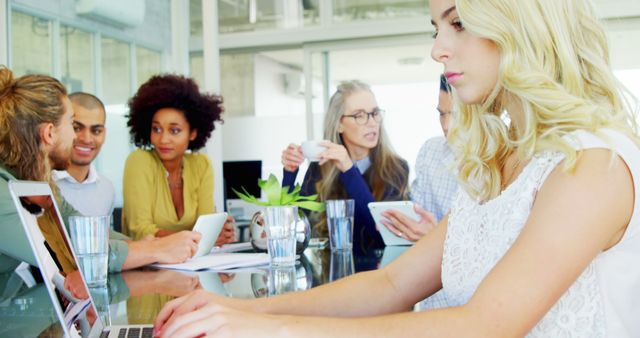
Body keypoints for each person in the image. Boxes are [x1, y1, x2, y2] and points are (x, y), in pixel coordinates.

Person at [153, 0, 640, 336]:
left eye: (459, 23)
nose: (438, 49)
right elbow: (392, 284)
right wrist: (236, 308)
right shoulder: (498, 161)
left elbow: (485, 327)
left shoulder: (592, 164)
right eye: (436, 29)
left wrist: (263, 328)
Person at [0, 66, 205, 274]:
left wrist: (148, 247)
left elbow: (82, 229)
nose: (77, 137)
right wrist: (155, 250)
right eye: (73, 125)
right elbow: (69, 255)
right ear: (49, 133)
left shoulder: (34, 182)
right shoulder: (3, 194)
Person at [281, 80, 410, 251]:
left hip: (379, 272)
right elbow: (293, 231)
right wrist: (289, 174)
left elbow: (383, 235)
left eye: (374, 113)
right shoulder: (319, 168)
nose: (372, 122)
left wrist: (349, 170)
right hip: (331, 273)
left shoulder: (396, 168)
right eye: (359, 115)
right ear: (339, 124)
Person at [122, 74, 235, 245]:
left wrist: (219, 232)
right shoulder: (139, 161)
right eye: (156, 129)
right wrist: (203, 237)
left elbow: (207, 225)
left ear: (193, 133)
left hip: (191, 264)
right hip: (146, 266)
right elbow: (141, 231)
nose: (163, 139)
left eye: (174, 130)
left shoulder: (201, 164)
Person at [380, 74, 458, 241]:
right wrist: (400, 223)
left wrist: (434, 237)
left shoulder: (501, 160)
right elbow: (417, 212)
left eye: (455, 114)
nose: (445, 125)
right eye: (442, 114)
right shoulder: (430, 151)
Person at [52, 92, 115, 217]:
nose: (86, 139)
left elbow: (103, 235)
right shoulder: (40, 182)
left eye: (96, 131)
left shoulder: (106, 189)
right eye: (76, 128)